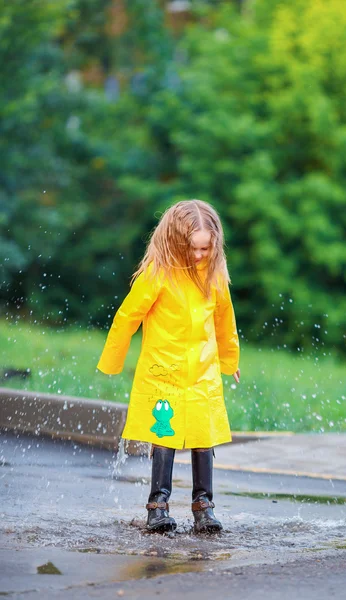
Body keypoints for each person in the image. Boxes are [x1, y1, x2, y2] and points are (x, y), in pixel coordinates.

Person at [97, 199, 240, 534]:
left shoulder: (214, 276)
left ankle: (204, 506)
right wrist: (113, 360)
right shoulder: (158, 274)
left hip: (202, 374)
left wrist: (230, 360)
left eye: (207, 249)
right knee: (164, 435)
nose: (200, 256)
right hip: (165, 374)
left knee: (204, 437)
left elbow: (224, 320)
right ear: (176, 241)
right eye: (194, 249)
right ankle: (157, 506)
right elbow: (127, 317)